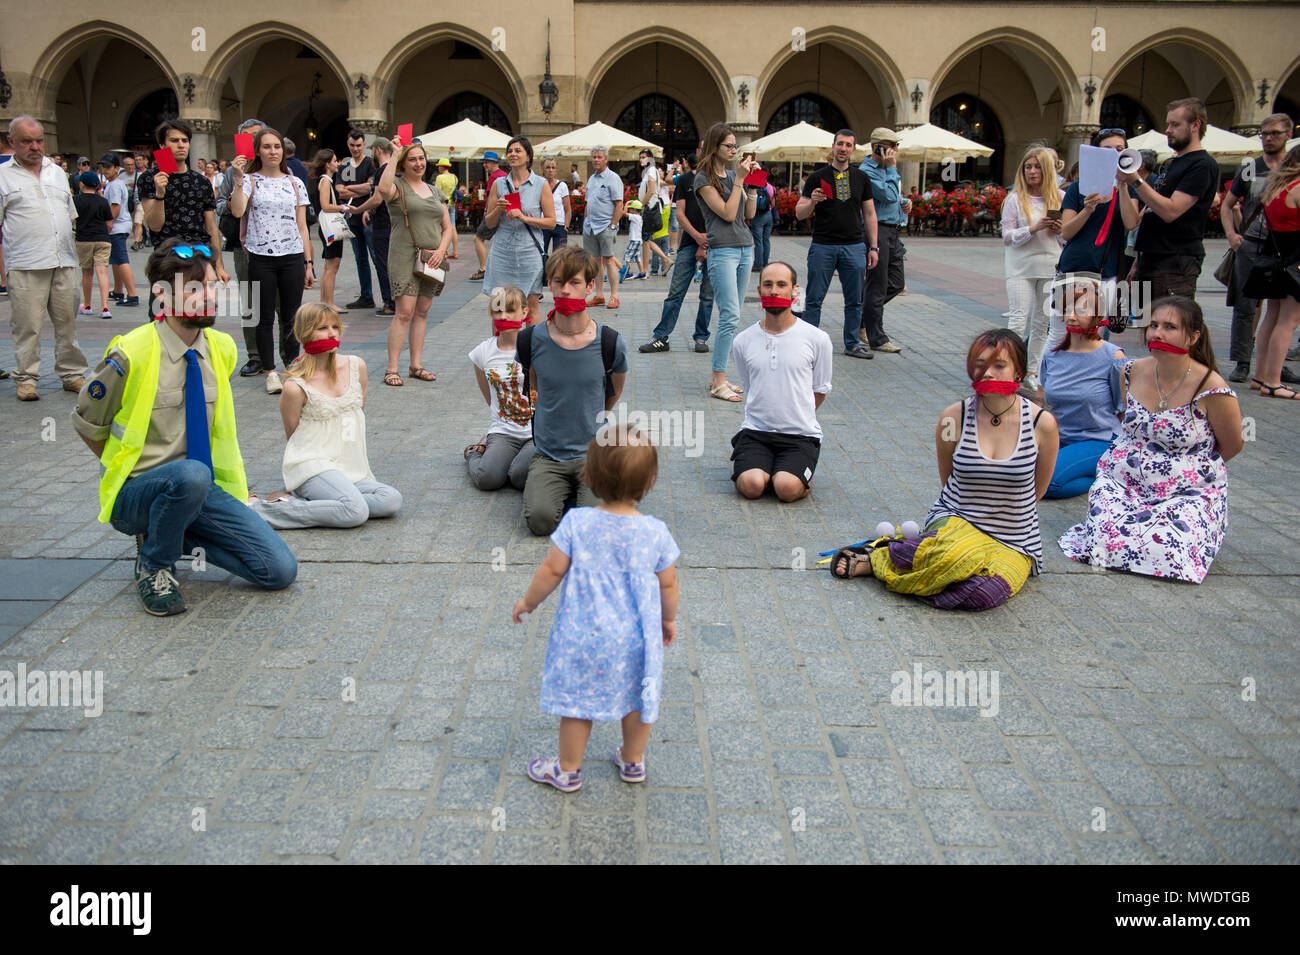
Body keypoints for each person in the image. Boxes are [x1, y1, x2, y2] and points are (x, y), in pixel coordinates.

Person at [71, 238, 297, 615]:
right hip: (137, 494)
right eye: (194, 289)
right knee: (189, 475)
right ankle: (154, 565)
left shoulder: (221, 348)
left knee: (278, 570)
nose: (208, 295)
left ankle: (173, 530)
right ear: (162, 296)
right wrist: (119, 467)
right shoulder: (131, 351)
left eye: (210, 285)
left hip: (199, 489)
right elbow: (87, 423)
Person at [830, 330, 1059, 610]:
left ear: (1018, 372)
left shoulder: (1042, 424)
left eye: (998, 365)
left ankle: (913, 565)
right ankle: (876, 559)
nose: (987, 372)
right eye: (980, 364)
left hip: (1014, 538)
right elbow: (948, 479)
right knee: (952, 556)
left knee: (983, 596)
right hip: (957, 519)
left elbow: (1039, 489)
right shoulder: (954, 417)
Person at [512, 424, 679, 793]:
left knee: (576, 701)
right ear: (650, 481)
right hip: (638, 637)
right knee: (639, 693)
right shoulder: (656, 532)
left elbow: (552, 570)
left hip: (583, 635)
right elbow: (668, 583)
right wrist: (667, 619)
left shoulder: (578, 522)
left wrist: (528, 601)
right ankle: (633, 760)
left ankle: (568, 769)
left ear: (589, 476)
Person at [1059, 296, 1242, 581]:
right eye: (1153, 325)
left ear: (1193, 336)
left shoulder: (1212, 388)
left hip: (1186, 492)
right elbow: (1128, 423)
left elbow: (1232, 444)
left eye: (1170, 327)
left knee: (1169, 546)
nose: (1157, 333)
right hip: (1124, 483)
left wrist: (1185, 469)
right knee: (1105, 542)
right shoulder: (1130, 371)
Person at [247, 303, 401, 529]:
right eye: (322, 328)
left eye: (335, 327)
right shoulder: (294, 386)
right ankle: (258, 510)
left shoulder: (357, 366)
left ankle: (294, 502)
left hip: (349, 466)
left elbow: (356, 414)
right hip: (311, 466)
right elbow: (294, 435)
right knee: (355, 512)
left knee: (391, 500)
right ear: (305, 333)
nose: (331, 333)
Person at [516, 246, 628, 535]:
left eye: (574, 283)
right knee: (539, 522)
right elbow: (535, 387)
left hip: (592, 454)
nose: (565, 290)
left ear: (590, 286)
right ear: (549, 284)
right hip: (549, 454)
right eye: (558, 282)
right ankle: (552, 489)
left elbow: (613, 392)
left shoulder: (610, 342)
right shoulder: (530, 340)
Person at [0, 115, 88, 401]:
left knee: (67, 323)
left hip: (64, 260)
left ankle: (72, 373)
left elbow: (69, 214)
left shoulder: (57, 172)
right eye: (27, 141)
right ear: (12, 142)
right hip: (25, 263)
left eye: (39, 140)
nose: (35, 147)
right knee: (27, 326)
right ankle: (26, 378)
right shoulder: (3, 176)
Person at [730, 262, 833, 502]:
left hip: (800, 436)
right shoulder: (743, 341)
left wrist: (793, 414)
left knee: (787, 489)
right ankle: (763, 471)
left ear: (794, 291)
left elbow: (820, 389)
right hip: (756, 433)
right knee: (751, 486)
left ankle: (789, 476)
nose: (774, 291)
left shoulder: (817, 339)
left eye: (781, 285)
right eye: (768, 285)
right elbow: (751, 385)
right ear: (759, 292)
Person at [227, 126, 315, 396]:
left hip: (291, 256)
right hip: (260, 256)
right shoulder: (250, 180)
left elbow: (303, 227)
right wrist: (239, 178)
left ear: (283, 150)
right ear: (258, 151)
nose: (273, 151)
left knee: (291, 316)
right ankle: (269, 371)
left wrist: (308, 263)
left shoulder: (294, 182)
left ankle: (291, 367)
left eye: (276, 146)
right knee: (263, 319)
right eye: (267, 147)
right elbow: (237, 210)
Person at [1221, 114, 1295, 383]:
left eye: (1274, 133)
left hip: (1285, 247)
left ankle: (1272, 364)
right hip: (1252, 244)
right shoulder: (1251, 168)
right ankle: (1243, 361)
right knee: (1246, 306)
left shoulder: (1294, 168)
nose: (1268, 138)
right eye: (1264, 134)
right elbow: (1227, 204)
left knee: (1278, 308)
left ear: (1288, 134)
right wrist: (1231, 234)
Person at [796, 129, 879, 358]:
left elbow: (870, 214)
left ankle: (852, 343)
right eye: (840, 144)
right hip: (823, 245)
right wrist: (812, 201)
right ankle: (809, 343)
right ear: (833, 146)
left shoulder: (861, 178)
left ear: (853, 149)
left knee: (855, 300)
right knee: (814, 298)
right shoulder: (816, 177)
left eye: (848, 145)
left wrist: (873, 247)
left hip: (854, 246)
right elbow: (799, 213)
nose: (843, 148)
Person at [1055, 128, 1142, 348]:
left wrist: (1122, 185)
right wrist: (1087, 210)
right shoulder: (1078, 188)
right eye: (1107, 150)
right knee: (1059, 333)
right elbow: (1066, 232)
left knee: (1095, 335)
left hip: (1106, 273)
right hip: (1074, 268)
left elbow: (1131, 223)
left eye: (1119, 150)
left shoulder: (1128, 190)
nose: (1114, 155)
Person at [376, 138, 452, 386]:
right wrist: (395, 155)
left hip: (431, 259)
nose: (418, 163)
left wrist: (442, 250)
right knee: (404, 313)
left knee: (422, 311)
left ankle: (416, 365)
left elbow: (447, 227)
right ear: (403, 163)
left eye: (421, 158)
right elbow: (382, 189)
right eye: (412, 159)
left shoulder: (434, 190)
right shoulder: (398, 187)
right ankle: (392, 368)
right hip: (404, 256)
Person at [1040, 278, 1126, 497]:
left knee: (1045, 485)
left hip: (1098, 438)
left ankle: (1107, 476)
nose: (1072, 317)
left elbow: (1124, 409)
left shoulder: (1113, 357)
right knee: (1015, 474)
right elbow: (1042, 404)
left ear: (1098, 315)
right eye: (1068, 309)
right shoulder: (1052, 356)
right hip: (1058, 438)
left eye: (1081, 310)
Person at [1129, 99, 1219, 300]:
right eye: (1168, 124)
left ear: (1195, 125)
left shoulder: (1201, 164)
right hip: (1151, 257)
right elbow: (1151, 211)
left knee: (1169, 324)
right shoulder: (1173, 163)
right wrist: (1138, 261)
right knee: (1149, 326)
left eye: (1175, 125)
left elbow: (1170, 211)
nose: (1168, 130)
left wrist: (1135, 180)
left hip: (1175, 260)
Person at [695, 122, 757, 401]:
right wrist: (741, 181)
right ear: (714, 147)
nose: (734, 150)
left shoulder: (733, 175)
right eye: (729, 146)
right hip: (723, 250)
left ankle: (718, 377)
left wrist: (752, 185)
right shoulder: (703, 179)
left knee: (734, 315)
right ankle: (718, 378)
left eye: (735, 146)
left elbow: (748, 214)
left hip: (745, 247)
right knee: (729, 315)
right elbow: (728, 214)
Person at [1001, 146, 1065, 394]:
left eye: (1037, 166)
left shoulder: (1060, 196)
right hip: (1020, 267)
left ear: (1047, 169)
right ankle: (1006, 367)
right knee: (1018, 320)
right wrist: (1035, 227)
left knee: (1042, 323)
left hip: (1051, 264)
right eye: (1028, 166)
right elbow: (1007, 236)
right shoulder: (1015, 199)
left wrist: (1060, 230)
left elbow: (1067, 239)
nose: (1032, 171)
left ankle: (1031, 371)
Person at [639, 151, 715, 354]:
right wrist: (698, 238)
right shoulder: (685, 180)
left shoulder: (717, 180)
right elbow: (680, 214)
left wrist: (705, 242)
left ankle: (701, 337)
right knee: (675, 293)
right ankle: (661, 336)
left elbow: (721, 214)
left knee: (707, 295)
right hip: (690, 242)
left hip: (714, 245)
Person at [137, 119, 229, 284]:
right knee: (165, 308)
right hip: (167, 260)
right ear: (163, 145)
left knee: (200, 307)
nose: (181, 145)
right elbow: (155, 225)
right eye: (174, 140)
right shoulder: (150, 178)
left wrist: (219, 265)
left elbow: (211, 226)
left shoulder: (201, 181)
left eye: (185, 140)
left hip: (199, 257)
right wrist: (160, 193)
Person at [465, 285, 535, 491]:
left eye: (510, 310)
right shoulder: (482, 352)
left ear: (524, 312)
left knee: (519, 476)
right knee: (488, 479)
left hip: (537, 431)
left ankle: (512, 464)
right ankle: (474, 453)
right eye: (498, 310)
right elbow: (490, 397)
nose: (503, 316)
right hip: (504, 431)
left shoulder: (537, 346)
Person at [1244, 145, 1300, 399]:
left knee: (1272, 316)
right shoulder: (1297, 188)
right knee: (1288, 322)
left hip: (1276, 258)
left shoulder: (1276, 188)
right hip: (1295, 261)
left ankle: (1261, 375)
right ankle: (1274, 381)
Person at [483, 136, 555, 324]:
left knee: (530, 306)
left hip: (529, 251)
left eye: (518, 151)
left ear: (528, 156)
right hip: (502, 252)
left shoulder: (540, 184)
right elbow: (489, 223)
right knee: (499, 305)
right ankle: (500, 350)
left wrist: (524, 217)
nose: (513, 154)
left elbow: (551, 222)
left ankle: (531, 351)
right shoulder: (499, 184)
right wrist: (498, 209)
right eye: (510, 151)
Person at [216, 118, 268, 376]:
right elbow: (219, 205)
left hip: (275, 246)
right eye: (248, 137)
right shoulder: (231, 173)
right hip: (244, 245)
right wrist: (236, 197)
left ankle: (287, 354)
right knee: (251, 301)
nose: (254, 142)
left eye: (258, 136)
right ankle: (255, 355)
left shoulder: (275, 168)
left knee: (281, 302)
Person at [859, 127, 910, 354]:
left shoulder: (886, 170)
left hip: (892, 230)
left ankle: (863, 317)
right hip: (876, 231)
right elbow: (887, 195)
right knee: (877, 286)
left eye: (896, 145)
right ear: (878, 146)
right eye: (891, 145)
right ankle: (877, 338)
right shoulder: (867, 171)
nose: (895, 150)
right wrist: (892, 169)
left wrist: (905, 202)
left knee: (896, 283)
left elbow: (894, 198)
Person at [352, 138, 396, 316]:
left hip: (382, 225)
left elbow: (378, 199)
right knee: (390, 264)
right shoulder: (393, 171)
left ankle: (390, 302)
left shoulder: (381, 171)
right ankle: (394, 301)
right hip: (391, 222)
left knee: (383, 263)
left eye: (372, 150)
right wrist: (368, 211)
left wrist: (359, 209)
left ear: (378, 150)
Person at [336, 129, 377, 310]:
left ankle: (388, 295)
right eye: (352, 145)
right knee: (360, 259)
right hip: (352, 219)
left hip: (368, 217)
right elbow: (339, 189)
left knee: (376, 257)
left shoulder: (370, 163)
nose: (355, 149)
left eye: (359, 145)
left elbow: (371, 187)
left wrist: (350, 188)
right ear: (348, 144)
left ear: (364, 145)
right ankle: (366, 296)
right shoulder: (344, 166)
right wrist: (361, 188)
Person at [580, 145, 625, 309]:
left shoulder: (613, 178)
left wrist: (613, 225)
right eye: (594, 157)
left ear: (606, 159)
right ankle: (599, 295)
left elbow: (619, 204)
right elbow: (588, 203)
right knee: (595, 262)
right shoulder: (592, 179)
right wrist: (585, 222)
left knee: (609, 260)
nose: (596, 160)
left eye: (599, 157)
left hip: (606, 225)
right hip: (591, 227)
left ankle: (614, 296)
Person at [308, 149, 349, 315]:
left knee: (329, 266)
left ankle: (326, 302)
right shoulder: (325, 181)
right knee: (332, 266)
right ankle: (329, 303)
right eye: (334, 160)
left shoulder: (323, 180)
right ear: (327, 164)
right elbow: (325, 205)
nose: (337, 163)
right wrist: (343, 207)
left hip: (325, 228)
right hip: (330, 226)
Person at [72, 170, 114, 319]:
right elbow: (109, 222)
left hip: (84, 240)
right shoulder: (102, 201)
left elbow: (71, 220)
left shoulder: (75, 200)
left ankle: (88, 305)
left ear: (81, 184)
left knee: (87, 272)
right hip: (102, 238)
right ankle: (105, 307)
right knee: (102, 272)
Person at [98, 154, 138, 308]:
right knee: (115, 259)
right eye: (104, 167)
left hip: (117, 226)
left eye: (108, 167)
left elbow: (115, 206)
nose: (105, 170)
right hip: (120, 225)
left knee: (121, 260)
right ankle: (118, 290)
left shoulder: (114, 185)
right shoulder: (115, 183)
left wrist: (109, 223)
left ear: (116, 168)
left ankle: (132, 294)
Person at [470, 150, 507, 281]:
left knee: (478, 238)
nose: (484, 165)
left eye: (486, 162)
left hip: (494, 213)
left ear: (493, 163)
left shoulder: (494, 177)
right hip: (505, 213)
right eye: (484, 162)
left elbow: (492, 198)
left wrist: (487, 212)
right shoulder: (504, 175)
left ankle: (483, 268)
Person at [636, 149, 672, 277]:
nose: (642, 160)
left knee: (645, 238)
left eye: (644, 157)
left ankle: (647, 269)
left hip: (650, 207)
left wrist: (641, 204)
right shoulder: (652, 171)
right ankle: (660, 262)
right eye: (640, 157)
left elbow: (651, 190)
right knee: (646, 239)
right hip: (652, 206)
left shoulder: (651, 170)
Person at [540, 156, 571, 256]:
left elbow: (567, 208)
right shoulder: (539, 184)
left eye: (553, 168)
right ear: (543, 169)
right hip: (544, 224)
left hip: (560, 225)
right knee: (541, 254)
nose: (550, 170)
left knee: (559, 257)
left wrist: (566, 226)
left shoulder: (562, 186)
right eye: (548, 167)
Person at [433, 158, 460, 260]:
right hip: (452, 204)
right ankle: (455, 251)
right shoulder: (454, 177)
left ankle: (443, 251)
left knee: (441, 228)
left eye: (439, 166)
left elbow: (437, 192)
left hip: (442, 204)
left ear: (441, 167)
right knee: (452, 227)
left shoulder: (440, 178)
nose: (438, 168)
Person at [619, 200, 645, 281]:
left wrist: (626, 204)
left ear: (634, 209)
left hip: (634, 240)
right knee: (637, 257)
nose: (629, 210)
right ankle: (642, 273)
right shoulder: (639, 217)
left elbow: (623, 213)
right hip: (637, 240)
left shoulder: (635, 217)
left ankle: (629, 273)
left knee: (628, 256)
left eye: (631, 209)